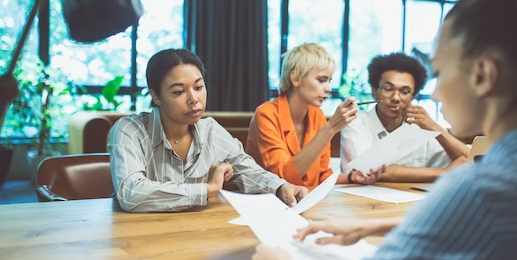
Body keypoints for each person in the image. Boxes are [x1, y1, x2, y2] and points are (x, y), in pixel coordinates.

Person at [252, 0, 517, 260]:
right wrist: (376, 225)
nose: (437, 94)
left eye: (440, 73)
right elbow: (497, 232)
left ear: (483, 76)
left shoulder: (481, 193)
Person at [108, 48, 308, 212]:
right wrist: (206, 189)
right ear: (156, 96)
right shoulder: (130, 130)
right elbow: (131, 193)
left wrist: (281, 187)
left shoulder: (211, 130)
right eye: (178, 92)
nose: (194, 99)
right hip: (139, 240)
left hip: (198, 235)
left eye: (198, 87)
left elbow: (248, 170)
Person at [247, 42, 367, 188]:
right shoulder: (266, 115)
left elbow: (321, 176)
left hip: (306, 201)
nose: (328, 88)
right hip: (266, 202)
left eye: (329, 81)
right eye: (321, 80)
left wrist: (351, 177)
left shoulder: (317, 115)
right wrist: (330, 128)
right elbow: (284, 178)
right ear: (296, 78)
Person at [340, 52, 469, 184]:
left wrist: (434, 127)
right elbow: (366, 168)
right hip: (362, 202)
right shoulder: (356, 122)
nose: (396, 98)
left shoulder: (422, 126)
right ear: (375, 92)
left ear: (413, 96)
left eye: (405, 91)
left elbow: (471, 162)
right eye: (388, 89)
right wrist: (443, 173)